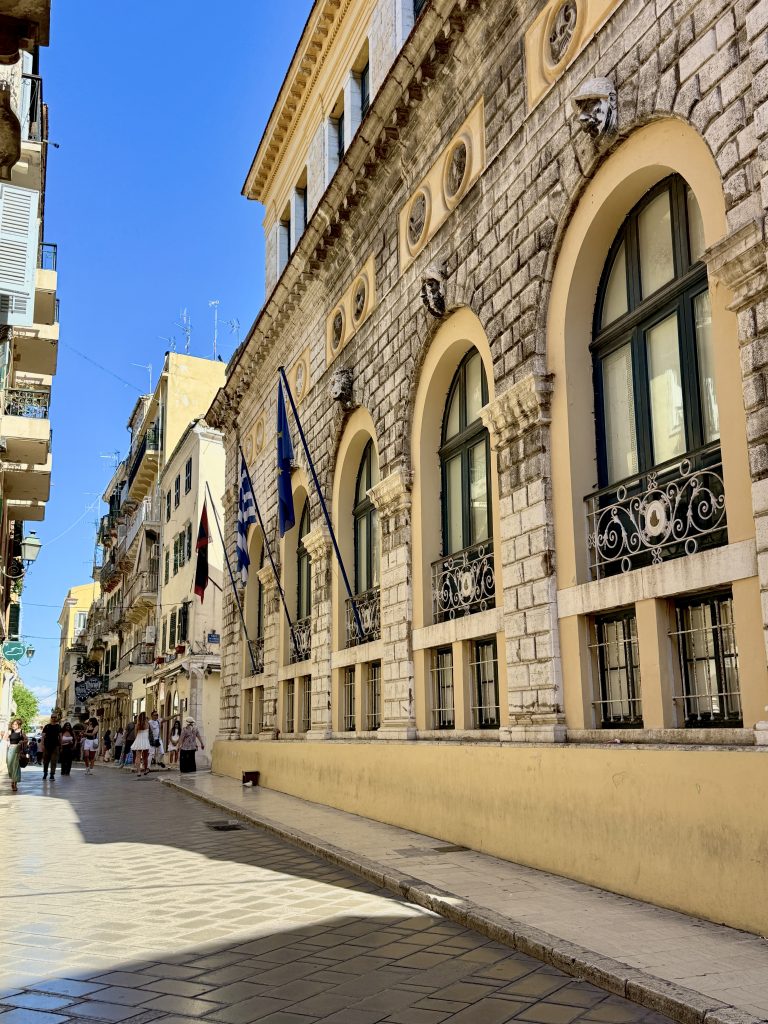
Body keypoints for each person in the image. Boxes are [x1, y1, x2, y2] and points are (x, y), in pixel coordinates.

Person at [3, 717, 26, 792]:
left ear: (19, 725)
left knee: (15, 767)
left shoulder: (21, 732)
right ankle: (13, 779)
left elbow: (26, 739)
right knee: (9, 766)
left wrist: (22, 742)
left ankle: (14, 783)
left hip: (17, 750)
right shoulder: (10, 731)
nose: (13, 725)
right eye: (13, 724)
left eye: (15, 724)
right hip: (10, 750)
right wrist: (6, 734)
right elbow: (4, 739)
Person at [41, 714, 61, 781]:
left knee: (53, 761)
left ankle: (52, 774)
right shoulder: (47, 726)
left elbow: (60, 736)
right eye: (52, 717)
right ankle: (45, 773)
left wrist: (60, 745)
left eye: (55, 717)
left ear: (56, 718)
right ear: (51, 718)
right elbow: (43, 737)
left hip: (55, 746)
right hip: (47, 746)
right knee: (45, 761)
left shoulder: (58, 726)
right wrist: (42, 745)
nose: (53, 718)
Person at [131, 711, 151, 777]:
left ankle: (139, 772)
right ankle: (145, 770)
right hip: (145, 741)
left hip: (138, 740)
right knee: (145, 757)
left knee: (138, 757)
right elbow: (149, 733)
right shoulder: (147, 724)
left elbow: (135, 735)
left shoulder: (137, 725)